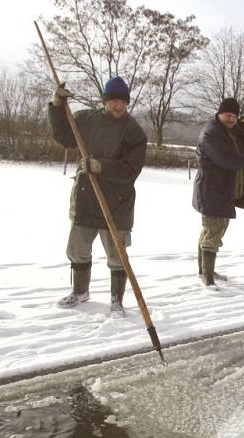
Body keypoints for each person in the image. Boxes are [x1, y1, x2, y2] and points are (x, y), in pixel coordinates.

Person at [48, 76, 147, 317]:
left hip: (117, 202)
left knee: (117, 254)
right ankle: (80, 291)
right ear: (105, 101)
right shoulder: (86, 119)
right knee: (77, 248)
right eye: (113, 100)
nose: (117, 105)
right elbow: (64, 136)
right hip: (86, 196)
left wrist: (101, 166)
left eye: (122, 101)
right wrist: (57, 106)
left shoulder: (134, 132)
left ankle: (116, 300)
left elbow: (131, 170)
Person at [192, 97, 244, 285]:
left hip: (225, 191)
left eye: (234, 116)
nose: (231, 119)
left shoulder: (233, 131)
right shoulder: (211, 133)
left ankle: (206, 271)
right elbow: (226, 159)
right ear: (219, 113)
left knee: (213, 230)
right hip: (212, 190)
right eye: (227, 115)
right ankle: (207, 278)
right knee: (213, 231)